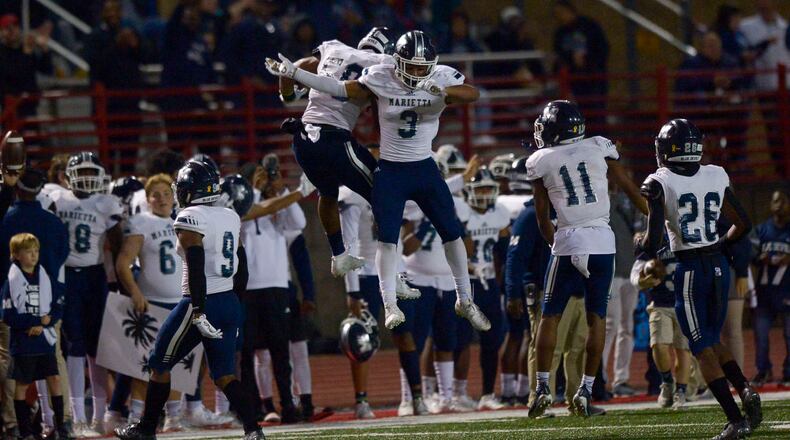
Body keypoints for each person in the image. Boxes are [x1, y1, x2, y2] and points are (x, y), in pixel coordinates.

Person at [267, 30, 489, 332]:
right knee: (386, 235)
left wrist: (442, 91)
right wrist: (295, 74)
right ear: (395, 60)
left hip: (423, 167)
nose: (416, 73)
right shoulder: (379, 73)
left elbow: (472, 93)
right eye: (409, 66)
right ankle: (390, 304)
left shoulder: (439, 75)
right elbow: (340, 88)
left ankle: (465, 298)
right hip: (391, 169)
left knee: (451, 233)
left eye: (422, 67)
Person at [114, 160, 264, 440]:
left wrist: (197, 309)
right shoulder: (229, 215)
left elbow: (195, 263)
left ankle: (146, 428)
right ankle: (253, 430)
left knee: (159, 363)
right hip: (229, 300)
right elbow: (242, 266)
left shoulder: (190, 216)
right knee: (224, 376)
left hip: (199, 300)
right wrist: (236, 303)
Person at [525, 100, 647, 419]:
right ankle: (585, 392)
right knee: (597, 319)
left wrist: (560, 243)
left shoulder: (540, 160)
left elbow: (542, 219)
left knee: (548, 317)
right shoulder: (598, 147)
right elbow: (630, 188)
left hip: (568, 239)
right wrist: (655, 217)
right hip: (602, 242)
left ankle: (541, 389)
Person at [640, 118, 760, 439]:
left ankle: (735, 420)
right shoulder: (715, 173)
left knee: (700, 347)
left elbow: (652, 243)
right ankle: (746, 390)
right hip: (720, 265)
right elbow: (744, 222)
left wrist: (641, 242)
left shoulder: (660, 180)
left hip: (691, 269)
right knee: (712, 339)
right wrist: (720, 245)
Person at [276, 27, 393, 278]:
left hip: (303, 139)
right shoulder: (382, 63)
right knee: (384, 195)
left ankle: (339, 256)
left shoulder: (334, 47)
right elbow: (380, 111)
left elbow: (294, 67)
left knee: (328, 194)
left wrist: (287, 95)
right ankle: (392, 275)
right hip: (333, 138)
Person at [49, 152, 122, 436]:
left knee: (98, 349)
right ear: (67, 176)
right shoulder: (56, 199)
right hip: (67, 276)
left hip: (94, 277)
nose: (88, 178)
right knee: (74, 346)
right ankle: (78, 416)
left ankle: (100, 416)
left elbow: (117, 246)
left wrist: (119, 281)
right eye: (83, 173)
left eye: (93, 173)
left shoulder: (106, 204)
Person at [111, 174, 187, 432]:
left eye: (166, 193)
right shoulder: (141, 221)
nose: (162, 199)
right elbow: (123, 262)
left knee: (178, 363)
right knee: (143, 364)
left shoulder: (183, 220)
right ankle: (135, 415)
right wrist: (134, 292)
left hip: (180, 300)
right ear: (147, 198)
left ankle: (174, 416)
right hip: (150, 301)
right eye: (156, 194)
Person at [238, 164, 312, 424]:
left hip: (277, 286)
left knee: (281, 352)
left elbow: (299, 222)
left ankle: (288, 407)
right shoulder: (239, 203)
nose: (265, 179)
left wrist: (282, 190)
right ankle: (257, 406)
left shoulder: (277, 204)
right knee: (250, 352)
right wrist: (256, 190)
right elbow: (249, 211)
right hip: (248, 287)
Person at [0, 169, 69, 439]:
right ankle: (63, 421)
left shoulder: (6, 219)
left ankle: (12, 424)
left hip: (13, 309)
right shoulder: (53, 222)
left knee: (9, 363)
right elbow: (63, 258)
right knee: (55, 363)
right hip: (46, 309)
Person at [458, 169, 509, 410]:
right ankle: (455, 393)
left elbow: (502, 252)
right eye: (480, 189)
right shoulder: (462, 213)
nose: (485, 194)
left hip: (488, 284)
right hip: (465, 284)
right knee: (460, 340)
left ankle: (487, 393)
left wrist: (500, 283)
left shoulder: (500, 214)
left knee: (491, 341)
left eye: (489, 188)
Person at [502, 155, 546, 406]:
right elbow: (513, 255)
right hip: (523, 280)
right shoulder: (529, 209)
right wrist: (511, 290)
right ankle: (520, 390)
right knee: (526, 338)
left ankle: (519, 389)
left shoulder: (506, 204)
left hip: (517, 277)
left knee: (525, 338)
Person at [631, 234, 693, 409]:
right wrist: (642, 281)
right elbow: (636, 273)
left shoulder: (686, 236)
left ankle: (681, 391)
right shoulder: (651, 242)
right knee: (658, 345)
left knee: (683, 349)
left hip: (684, 302)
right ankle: (667, 382)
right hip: (660, 304)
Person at [602, 184, 642, 397]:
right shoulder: (596, 197)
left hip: (630, 269)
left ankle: (621, 379)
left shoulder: (628, 197)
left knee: (627, 326)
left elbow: (639, 227)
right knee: (610, 325)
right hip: (610, 271)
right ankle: (599, 378)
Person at [752, 189, 790, 386]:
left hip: (787, 290)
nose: (779, 205)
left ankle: (789, 371)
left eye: (783, 201)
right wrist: (760, 258)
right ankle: (763, 370)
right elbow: (750, 255)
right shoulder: (762, 229)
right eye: (776, 201)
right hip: (765, 292)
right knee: (761, 334)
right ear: (770, 205)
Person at [552, 1, 609, 131]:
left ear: (569, 11)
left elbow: (602, 49)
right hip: (574, 81)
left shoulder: (589, 26)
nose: (559, 17)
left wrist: (588, 61)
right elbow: (559, 57)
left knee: (596, 113)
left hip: (593, 79)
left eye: (561, 13)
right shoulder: (561, 33)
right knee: (577, 115)